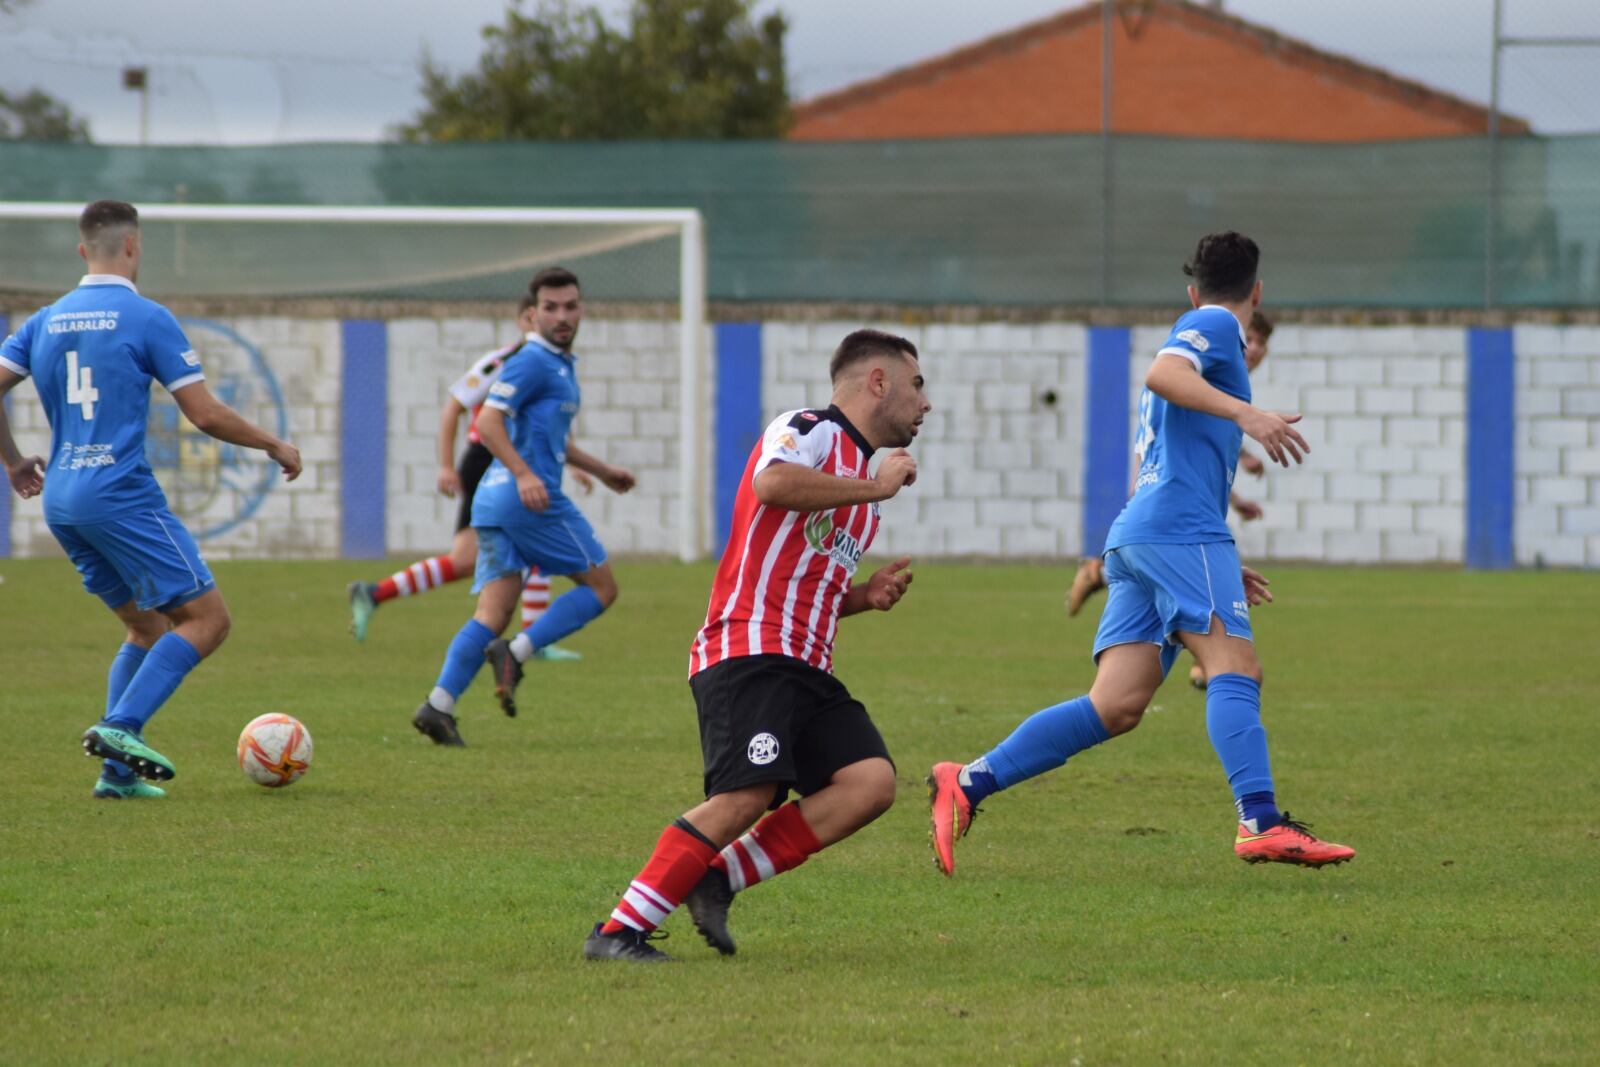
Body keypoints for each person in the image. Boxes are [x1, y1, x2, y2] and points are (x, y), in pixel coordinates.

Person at [929, 233, 1353, 875]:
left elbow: (1161, 447)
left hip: (1148, 535)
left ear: (1191, 286)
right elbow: (1161, 370)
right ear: (1257, 291)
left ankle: (969, 780)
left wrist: (1200, 558)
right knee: (1236, 667)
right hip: (1176, 533)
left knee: (1116, 705)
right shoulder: (1212, 324)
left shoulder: (1202, 343)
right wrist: (1249, 415)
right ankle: (1260, 822)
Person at [583, 328, 929, 962]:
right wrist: (877, 487)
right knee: (746, 796)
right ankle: (616, 931)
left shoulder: (861, 491)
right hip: (749, 651)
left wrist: (863, 596)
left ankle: (718, 877)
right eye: (917, 384)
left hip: (808, 664)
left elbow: (807, 580)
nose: (925, 403)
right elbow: (772, 484)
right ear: (877, 381)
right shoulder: (810, 430)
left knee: (870, 783)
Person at [0, 199, 301, 798]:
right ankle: (120, 728)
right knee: (208, 621)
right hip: (119, 494)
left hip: (61, 498)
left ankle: (115, 777)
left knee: (145, 627)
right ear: (133, 247)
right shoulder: (145, 317)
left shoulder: (44, 320)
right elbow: (205, 414)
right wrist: (274, 444)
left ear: (83, 251)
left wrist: (12, 463)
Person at [409, 267, 635, 746]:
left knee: (491, 613)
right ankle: (516, 651)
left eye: (570, 306)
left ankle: (438, 706)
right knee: (602, 587)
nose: (562, 316)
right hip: (524, 499)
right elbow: (488, 422)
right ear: (532, 315)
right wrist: (526, 474)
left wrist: (601, 470)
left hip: (493, 502)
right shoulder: (532, 360)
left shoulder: (557, 364)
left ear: (581, 309)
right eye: (550, 308)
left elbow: (554, 440)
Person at [347, 287, 589, 659]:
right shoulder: (505, 360)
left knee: (468, 559)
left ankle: (375, 593)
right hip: (488, 459)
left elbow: (545, 428)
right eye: (542, 312)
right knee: (529, 538)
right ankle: (534, 637)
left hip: (518, 463)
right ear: (527, 318)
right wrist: (446, 464)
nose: (554, 320)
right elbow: (455, 405)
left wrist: (576, 464)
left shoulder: (551, 364)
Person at [1066, 310, 1276, 620]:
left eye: (1263, 342)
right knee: (1203, 563)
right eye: (1252, 339)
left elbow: (1201, 447)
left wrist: (1236, 496)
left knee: (1159, 576)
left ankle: (1100, 574)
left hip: (1166, 485)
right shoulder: (1206, 368)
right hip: (1164, 486)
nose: (1256, 348)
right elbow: (1188, 432)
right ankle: (1210, 659)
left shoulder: (1206, 370)